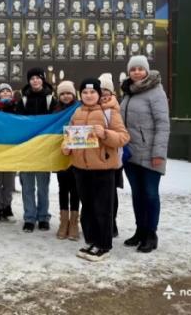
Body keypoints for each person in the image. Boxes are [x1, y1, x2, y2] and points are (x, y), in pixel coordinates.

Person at [62, 78, 129, 262]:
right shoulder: (76, 112)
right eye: (85, 92)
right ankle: (91, 241)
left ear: (99, 94)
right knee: (88, 208)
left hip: (104, 169)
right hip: (80, 169)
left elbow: (123, 137)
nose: (89, 95)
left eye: (92, 92)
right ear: (80, 95)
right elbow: (71, 136)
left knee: (103, 208)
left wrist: (105, 134)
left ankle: (104, 245)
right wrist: (66, 146)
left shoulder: (109, 113)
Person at [120, 56, 169, 253]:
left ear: (147, 71)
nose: (137, 72)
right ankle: (140, 230)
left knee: (150, 194)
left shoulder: (156, 92)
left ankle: (151, 233)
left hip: (150, 154)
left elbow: (163, 125)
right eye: (133, 69)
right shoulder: (128, 93)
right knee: (137, 194)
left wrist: (158, 153)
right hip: (131, 154)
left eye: (141, 69)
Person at [16, 68, 57, 232]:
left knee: (42, 185)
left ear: (43, 80)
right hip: (27, 149)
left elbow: (56, 121)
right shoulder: (23, 100)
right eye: (32, 78)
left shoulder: (50, 100)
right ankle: (29, 218)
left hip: (44, 149)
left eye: (38, 78)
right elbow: (17, 122)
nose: (35, 81)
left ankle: (43, 217)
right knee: (27, 185)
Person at [98, 73, 124, 238]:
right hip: (94, 158)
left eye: (106, 90)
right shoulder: (90, 106)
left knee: (110, 193)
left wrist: (105, 134)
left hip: (112, 157)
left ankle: (111, 223)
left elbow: (122, 136)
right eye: (100, 90)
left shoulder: (115, 109)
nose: (103, 94)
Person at [54, 80, 80, 241]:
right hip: (60, 154)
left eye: (68, 93)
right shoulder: (54, 111)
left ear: (74, 94)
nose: (65, 96)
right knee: (63, 188)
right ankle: (63, 222)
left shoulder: (80, 109)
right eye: (62, 93)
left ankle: (74, 222)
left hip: (77, 155)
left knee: (76, 189)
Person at [0, 83, 18, 224]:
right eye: (3, 91)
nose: (6, 93)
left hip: (12, 150)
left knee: (8, 182)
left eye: (8, 90)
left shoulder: (17, 108)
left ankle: (7, 207)